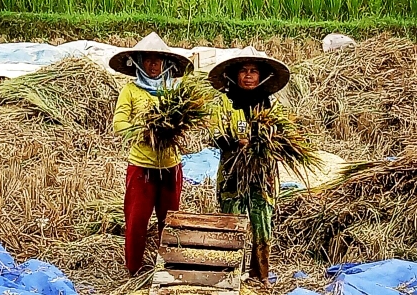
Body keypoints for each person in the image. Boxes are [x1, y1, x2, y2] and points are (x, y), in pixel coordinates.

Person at [109, 32, 194, 276]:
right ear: (139, 62)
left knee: (169, 222)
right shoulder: (131, 91)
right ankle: (133, 270)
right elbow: (119, 123)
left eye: (158, 60)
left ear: (166, 63)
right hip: (141, 167)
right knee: (137, 221)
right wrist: (145, 132)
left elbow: (187, 121)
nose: (153, 65)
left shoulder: (174, 94)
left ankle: (167, 268)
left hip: (170, 167)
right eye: (147, 60)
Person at [207, 46, 290, 287]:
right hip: (232, 173)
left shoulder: (271, 106)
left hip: (263, 175)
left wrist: (271, 144)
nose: (248, 75)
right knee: (231, 220)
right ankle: (230, 274)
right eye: (243, 71)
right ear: (234, 75)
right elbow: (216, 134)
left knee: (262, 221)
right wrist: (236, 143)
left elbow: (283, 136)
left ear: (262, 76)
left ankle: (260, 276)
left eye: (254, 71)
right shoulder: (224, 103)